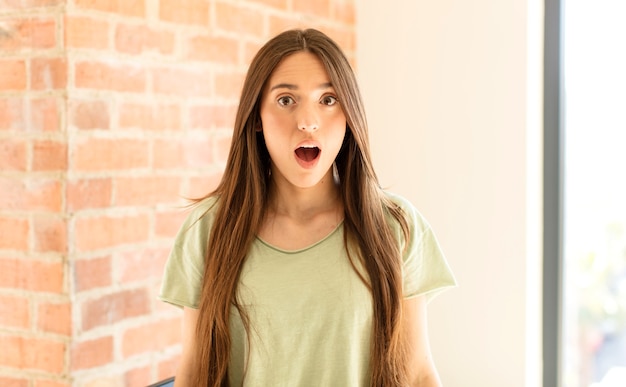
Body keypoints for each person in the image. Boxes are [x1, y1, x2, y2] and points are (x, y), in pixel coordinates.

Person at [159, 28, 456, 387]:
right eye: (286, 100)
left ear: (349, 116)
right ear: (256, 118)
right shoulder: (208, 228)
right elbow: (193, 373)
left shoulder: (397, 227)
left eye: (328, 100)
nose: (307, 121)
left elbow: (418, 373)